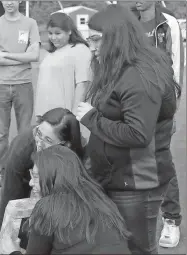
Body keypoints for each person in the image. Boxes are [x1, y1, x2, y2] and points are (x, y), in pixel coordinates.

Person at [76, 4, 181, 254]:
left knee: (138, 249)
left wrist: (92, 118)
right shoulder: (118, 66)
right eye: (88, 39)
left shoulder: (139, 75)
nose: (91, 46)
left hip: (138, 183)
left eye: (96, 39)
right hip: (118, 177)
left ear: (116, 37)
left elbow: (137, 134)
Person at [132, 1, 185, 248]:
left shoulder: (168, 23)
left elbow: (176, 66)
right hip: (132, 101)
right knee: (134, 157)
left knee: (160, 157)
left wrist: (171, 106)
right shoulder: (127, 21)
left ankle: (171, 219)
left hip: (161, 102)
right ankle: (138, 214)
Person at [14, 145, 131, 254]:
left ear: (51, 176)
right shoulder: (101, 199)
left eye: (35, 176)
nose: (30, 183)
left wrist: (13, 252)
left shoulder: (47, 207)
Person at [0, 107, 84, 236]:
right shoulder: (22, 148)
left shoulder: (79, 153)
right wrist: (3, 234)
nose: (39, 142)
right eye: (38, 133)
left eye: (48, 140)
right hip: (19, 168)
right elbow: (10, 197)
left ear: (66, 145)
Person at [0, 0, 41, 175]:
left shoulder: (30, 23)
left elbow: (34, 55)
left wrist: (6, 54)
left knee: (25, 133)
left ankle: (23, 169)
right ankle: (1, 170)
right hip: (0, 86)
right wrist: (22, 57)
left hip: (23, 84)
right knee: (1, 135)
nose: (9, 3)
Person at [35, 12, 92, 121]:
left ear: (69, 31)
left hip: (63, 117)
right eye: (50, 33)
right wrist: (39, 112)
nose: (53, 37)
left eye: (58, 33)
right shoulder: (51, 53)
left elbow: (83, 84)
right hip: (45, 114)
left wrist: (74, 115)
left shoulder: (80, 49)